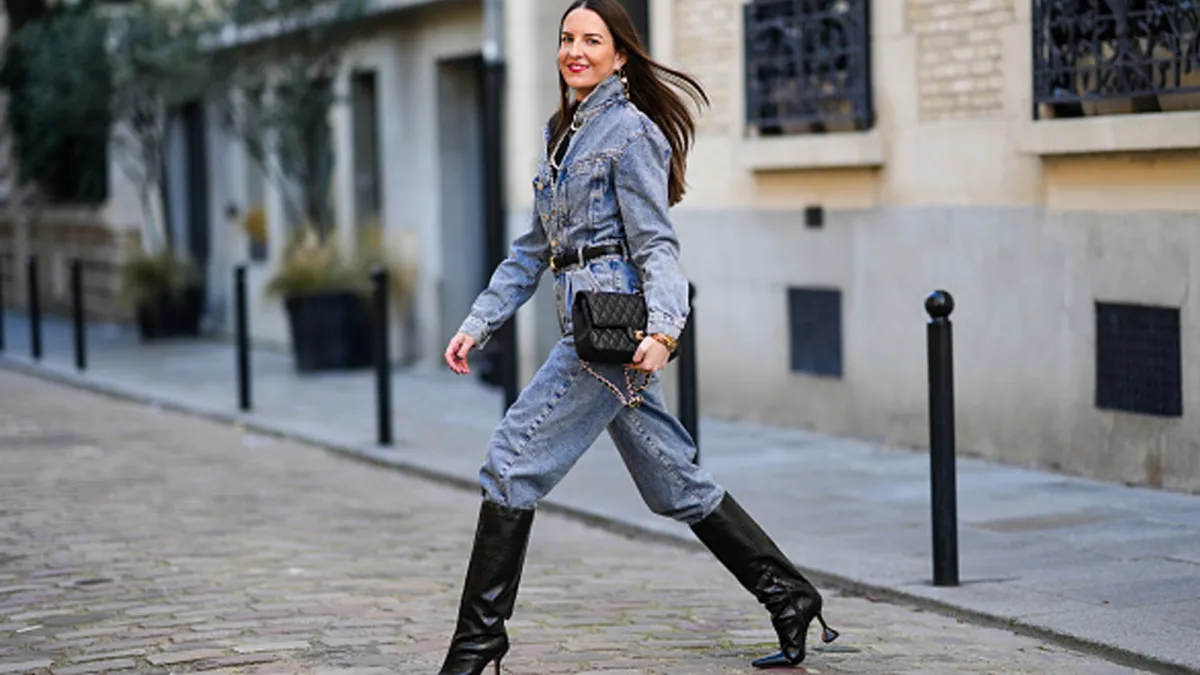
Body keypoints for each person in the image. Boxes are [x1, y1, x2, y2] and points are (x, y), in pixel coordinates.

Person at [436, 1, 838, 673]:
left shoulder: (632, 133)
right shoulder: (561, 132)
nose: (576, 50)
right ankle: (790, 594)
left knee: (510, 461)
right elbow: (532, 250)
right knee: (675, 480)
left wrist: (663, 330)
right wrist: (478, 323)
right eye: (567, 38)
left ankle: (479, 644)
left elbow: (656, 245)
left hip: (609, 333)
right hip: (589, 323)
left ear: (620, 54)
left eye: (592, 40)